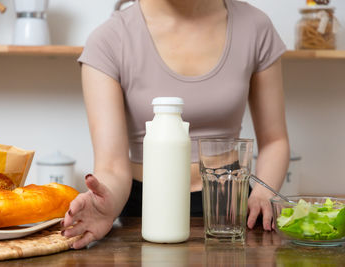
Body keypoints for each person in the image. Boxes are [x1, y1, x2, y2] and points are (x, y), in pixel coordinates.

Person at [62, 0, 290, 249]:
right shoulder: (108, 39)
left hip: (231, 210)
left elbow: (274, 140)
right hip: (143, 208)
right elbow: (112, 166)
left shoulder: (255, 26)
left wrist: (264, 192)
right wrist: (104, 206)